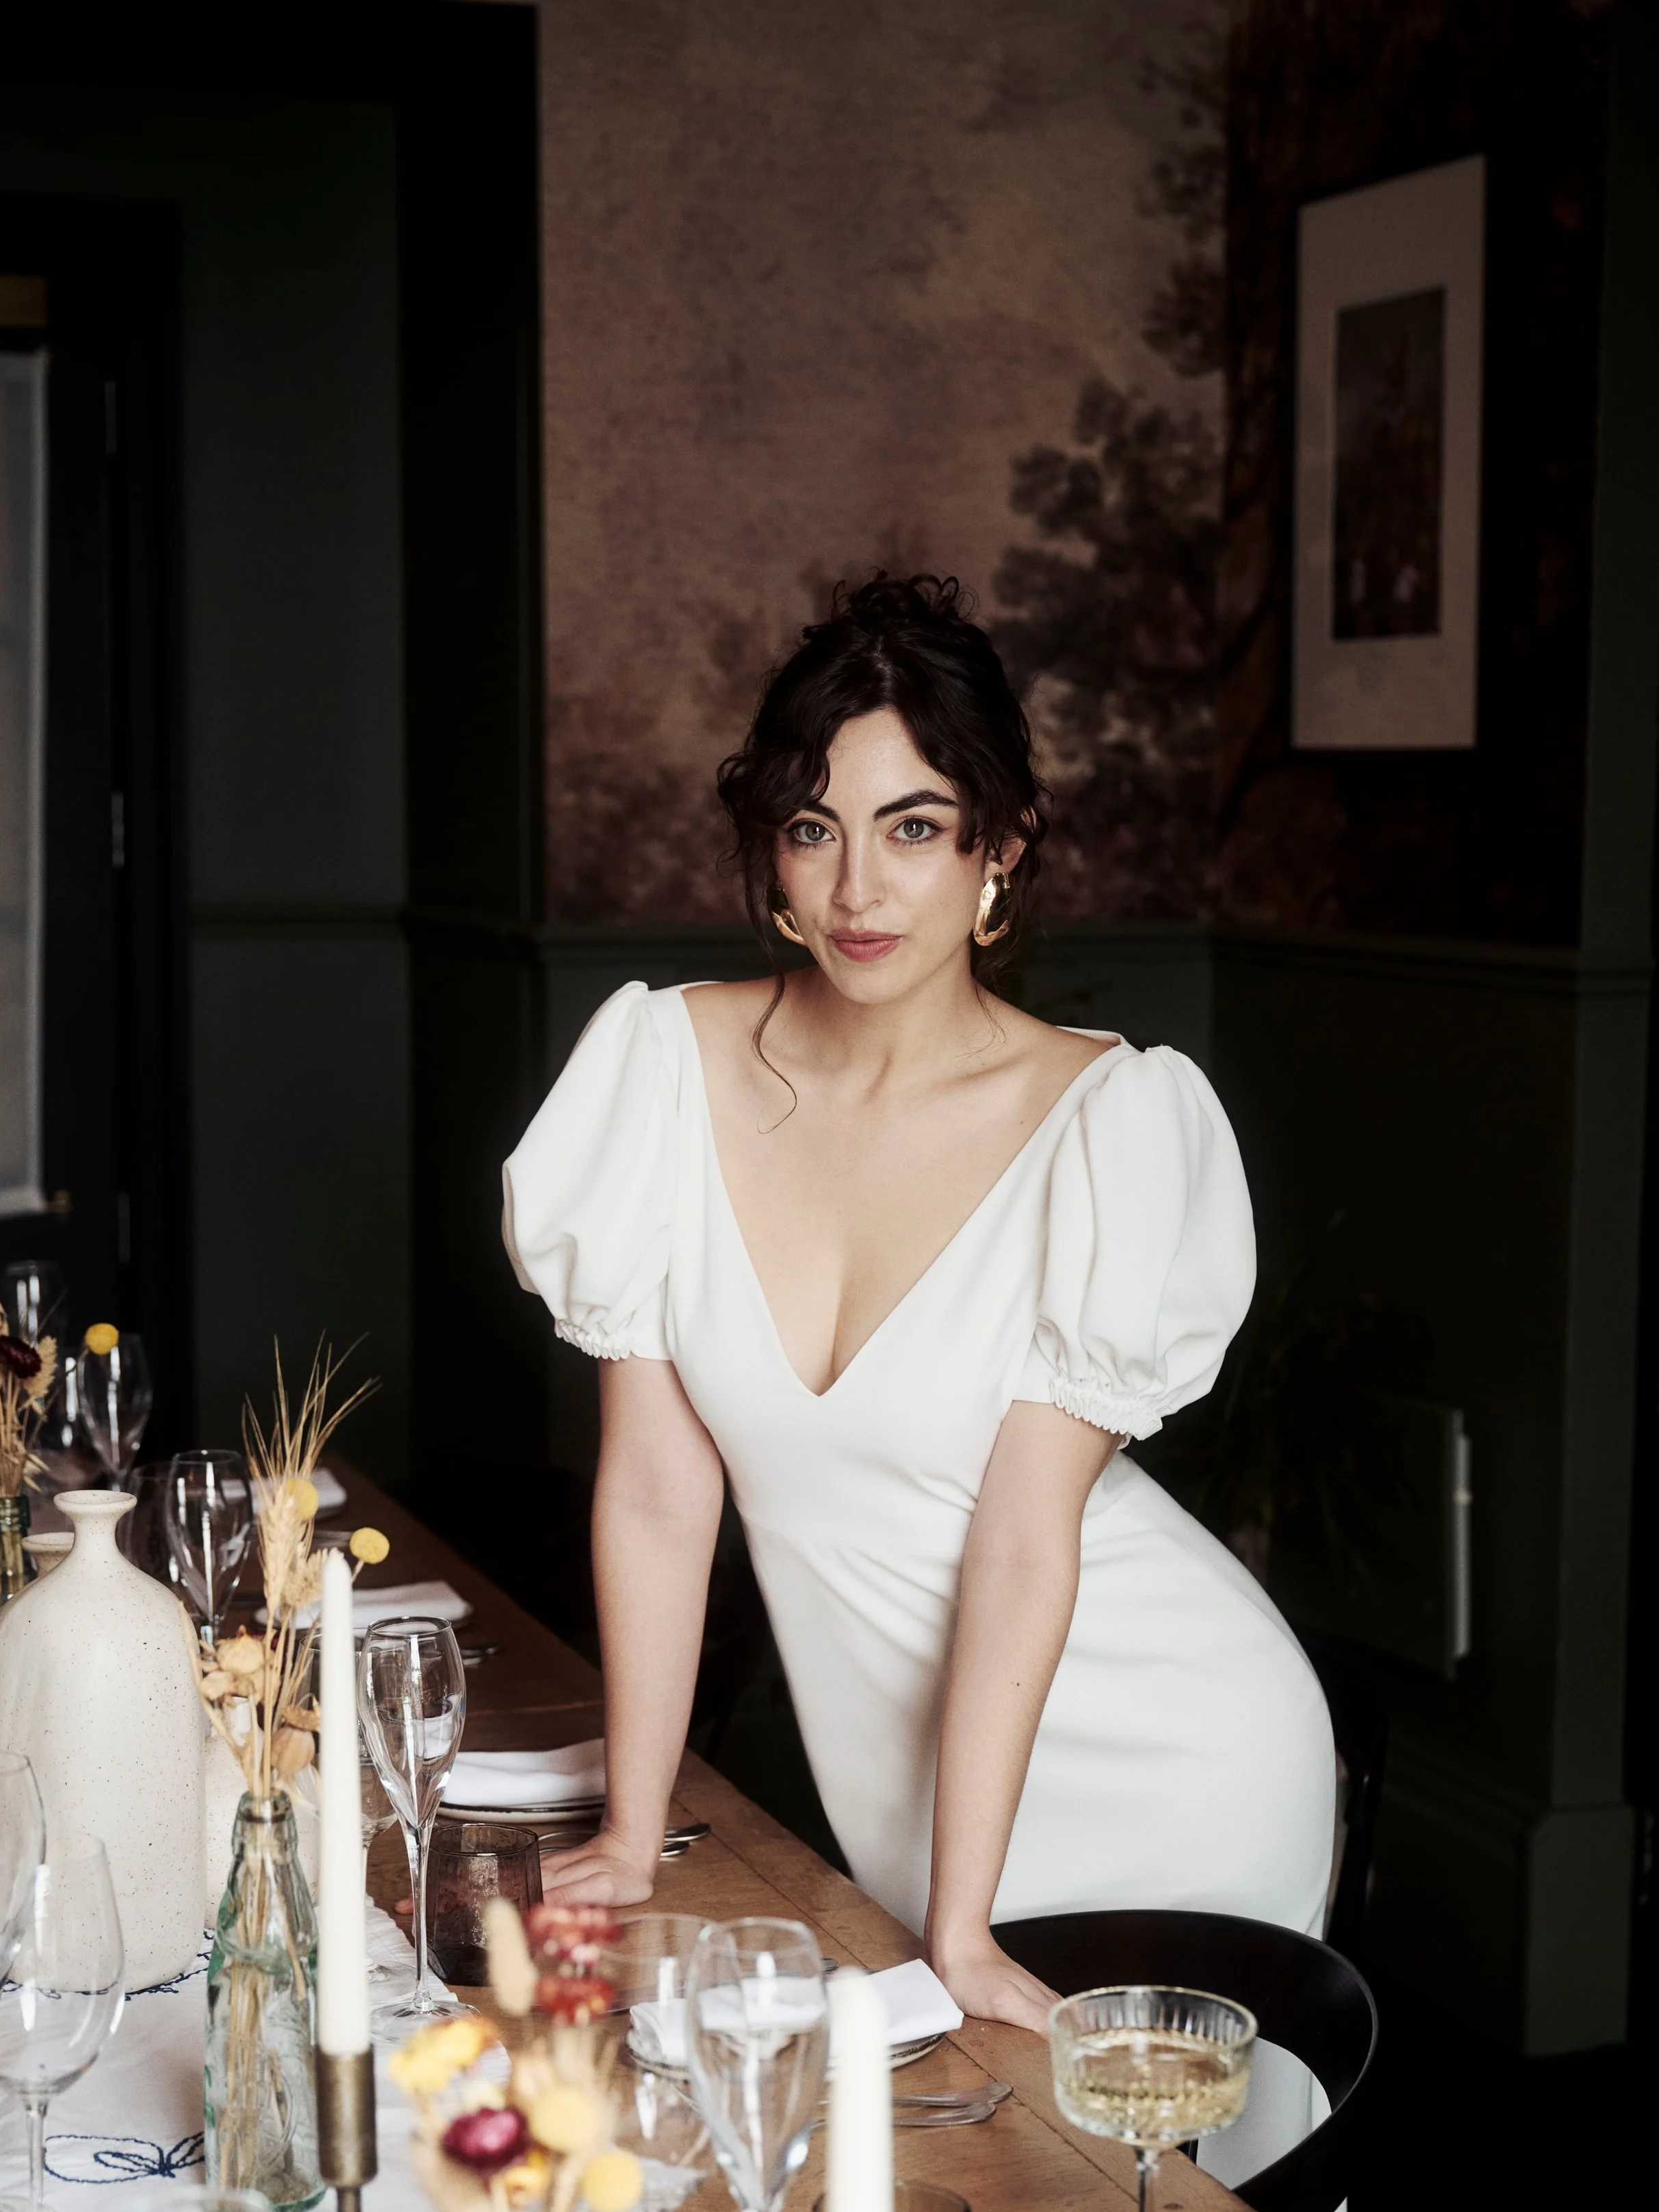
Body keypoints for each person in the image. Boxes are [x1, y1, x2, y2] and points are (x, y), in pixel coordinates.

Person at [503, 575, 1335, 2039]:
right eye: (813, 828)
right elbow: (652, 1488)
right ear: (770, 847)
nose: (856, 892)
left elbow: (1021, 1543)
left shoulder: (1104, 1119)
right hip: (905, 1776)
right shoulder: (661, 1070)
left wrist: (960, 1922)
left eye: (913, 829)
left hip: (1167, 1748)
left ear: (996, 851)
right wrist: (633, 1830)